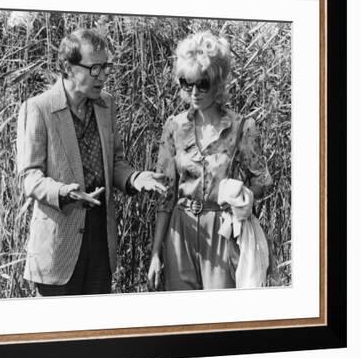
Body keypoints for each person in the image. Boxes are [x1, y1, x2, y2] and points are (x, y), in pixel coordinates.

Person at [17, 28, 166, 296]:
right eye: (94, 69)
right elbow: (29, 177)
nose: (103, 77)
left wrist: (134, 178)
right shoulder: (38, 108)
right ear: (68, 68)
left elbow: (116, 162)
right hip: (57, 247)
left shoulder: (105, 105)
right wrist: (64, 192)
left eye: (105, 67)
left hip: (100, 242)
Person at [148, 30, 272, 291]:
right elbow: (164, 195)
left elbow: (262, 181)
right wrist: (156, 253)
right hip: (179, 230)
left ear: (218, 82)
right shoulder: (174, 126)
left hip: (221, 228)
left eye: (202, 83)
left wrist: (243, 195)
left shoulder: (241, 127)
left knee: (221, 315)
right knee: (182, 318)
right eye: (186, 82)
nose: (194, 92)